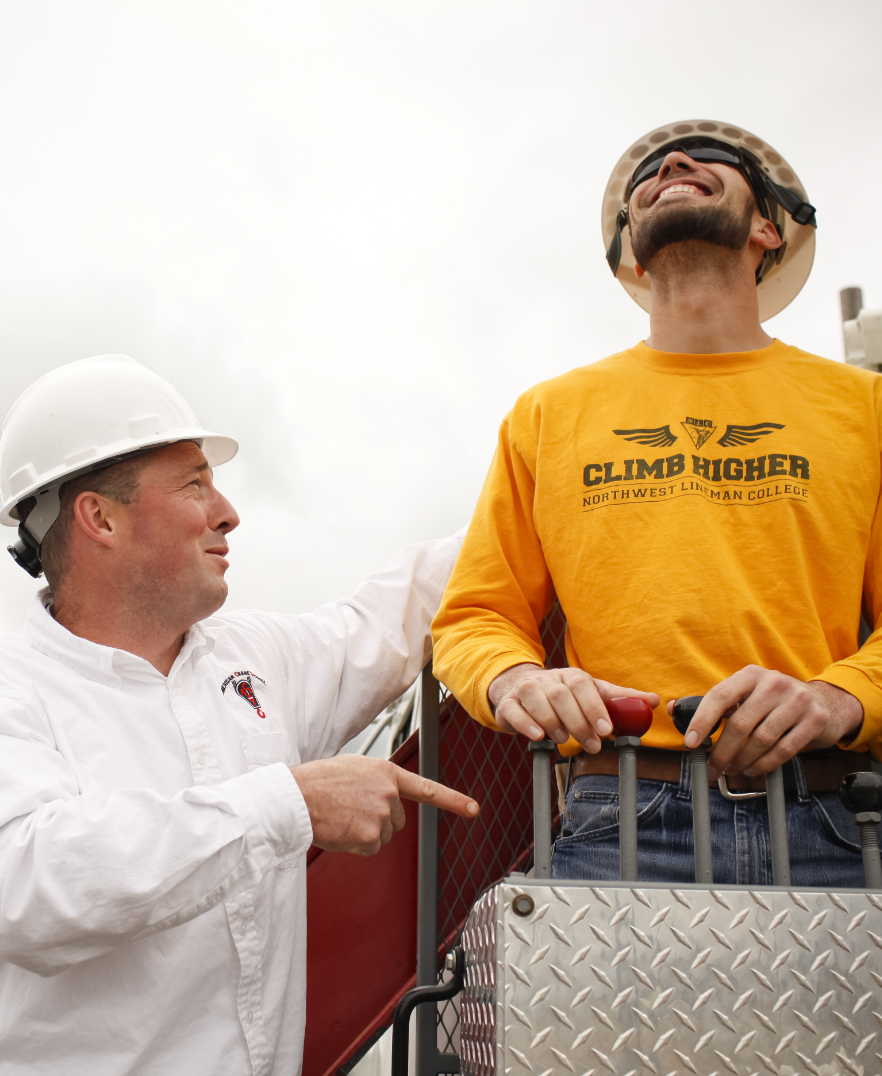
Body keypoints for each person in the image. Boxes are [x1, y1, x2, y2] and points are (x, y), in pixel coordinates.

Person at [432, 118, 882, 887]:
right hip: (618, 821)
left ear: (768, 227)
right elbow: (476, 617)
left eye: (713, 158)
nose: (673, 160)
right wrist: (518, 680)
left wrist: (840, 697)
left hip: (828, 822)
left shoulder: (865, 408)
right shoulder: (548, 413)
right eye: (650, 171)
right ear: (634, 255)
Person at [0, 354, 478, 1076]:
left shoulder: (252, 659)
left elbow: (396, 611)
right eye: (195, 485)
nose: (227, 512)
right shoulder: (15, 690)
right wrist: (290, 804)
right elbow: (30, 887)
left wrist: (553, 481)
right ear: (98, 517)